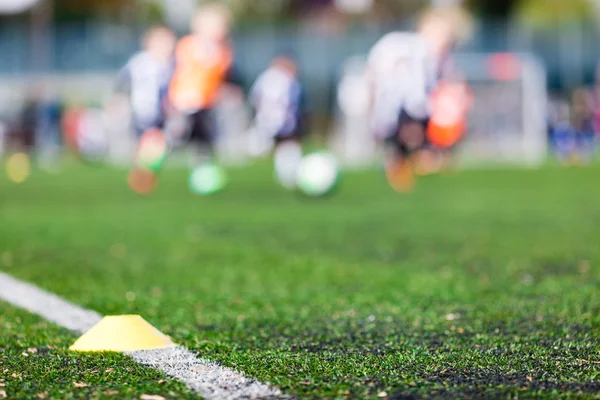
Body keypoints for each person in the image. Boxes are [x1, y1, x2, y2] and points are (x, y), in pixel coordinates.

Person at [366, 6, 471, 191]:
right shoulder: (414, 48)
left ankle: (418, 158)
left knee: (419, 130)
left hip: (411, 106)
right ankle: (405, 161)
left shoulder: (434, 56)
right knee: (408, 132)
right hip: (404, 104)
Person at [169, 3, 243, 168]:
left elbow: (225, 78)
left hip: (207, 101)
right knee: (180, 133)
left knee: (204, 136)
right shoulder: (190, 45)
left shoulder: (224, 52)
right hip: (187, 99)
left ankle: (202, 164)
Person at [249, 55, 306, 188]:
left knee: (277, 146)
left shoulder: (264, 78)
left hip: (265, 119)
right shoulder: (287, 79)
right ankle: (288, 174)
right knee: (288, 144)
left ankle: (286, 173)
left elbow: (254, 99)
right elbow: (292, 101)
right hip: (284, 119)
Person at [115, 26, 176, 139]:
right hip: (138, 115)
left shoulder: (175, 65)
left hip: (164, 116)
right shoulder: (138, 64)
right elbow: (121, 89)